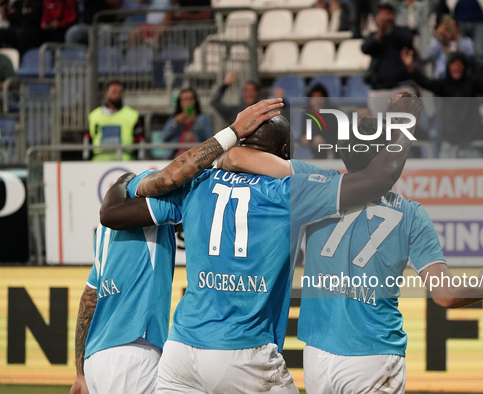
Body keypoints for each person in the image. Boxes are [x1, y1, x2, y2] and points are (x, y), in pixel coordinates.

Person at [99, 94, 423, 394]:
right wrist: (406, 121)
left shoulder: (197, 182)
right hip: (243, 349)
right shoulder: (290, 192)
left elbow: (114, 214)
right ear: (285, 154)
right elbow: (379, 180)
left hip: (181, 349)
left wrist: (120, 183)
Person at [218, 99, 483, 394]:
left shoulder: (315, 184)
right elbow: (445, 295)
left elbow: (238, 157)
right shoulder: (412, 215)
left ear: (343, 153)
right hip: (374, 354)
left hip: (318, 356)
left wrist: (225, 149)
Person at [70, 99, 286, 394]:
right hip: (135, 347)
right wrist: (233, 135)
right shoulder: (147, 184)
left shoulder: (106, 234)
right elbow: (170, 177)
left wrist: (81, 372)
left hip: (103, 355)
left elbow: (89, 298)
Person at [401, 45, 483, 157]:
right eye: (454, 63)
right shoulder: (444, 85)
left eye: (460, 64)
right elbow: (425, 82)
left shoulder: (472, 84)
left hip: (471, 143)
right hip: (449, 142)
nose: (457, 66)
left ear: (464, 67)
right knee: (444, 173)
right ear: (449, 67)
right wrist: (411, 68)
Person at [362, 4, 415, 116]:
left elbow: (407, 40)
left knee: (404, 126)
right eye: (383, 14)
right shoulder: (374, 36)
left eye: (389, 14)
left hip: (401, 86)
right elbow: (365, 48)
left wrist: (388, 31)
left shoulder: (401, 31)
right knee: (379, 127)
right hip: (379, 89)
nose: (386, 18)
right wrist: (380, 32)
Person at [88, 81, 141, 161]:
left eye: (120, 92)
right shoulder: (94, 116)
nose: (117, 95)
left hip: (125, 161)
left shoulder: (132, 115)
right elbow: (87, 140)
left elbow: (140, 141)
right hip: (99, 161)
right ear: (106, 94)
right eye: (114, 92)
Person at [161, 87, 213, 159]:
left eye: (190, 99)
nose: (188, 102)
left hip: (198, 158)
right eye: (184, 100)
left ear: (195, 101)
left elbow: (209, 138)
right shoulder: (174, 119)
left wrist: (195, 124)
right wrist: (175, 122)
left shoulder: (203, 119)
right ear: (180, 103)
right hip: (176, 157)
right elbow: (164, 137)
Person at [298, 83, 341, 160]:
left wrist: (325, 140)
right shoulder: (307, 114)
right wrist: (305, 138)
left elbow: (339, 136)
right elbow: (304, 134)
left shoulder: (334, 113)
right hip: (316, 156)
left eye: (320, 97)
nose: (317, 101)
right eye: (314, 98)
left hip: (336, 157)